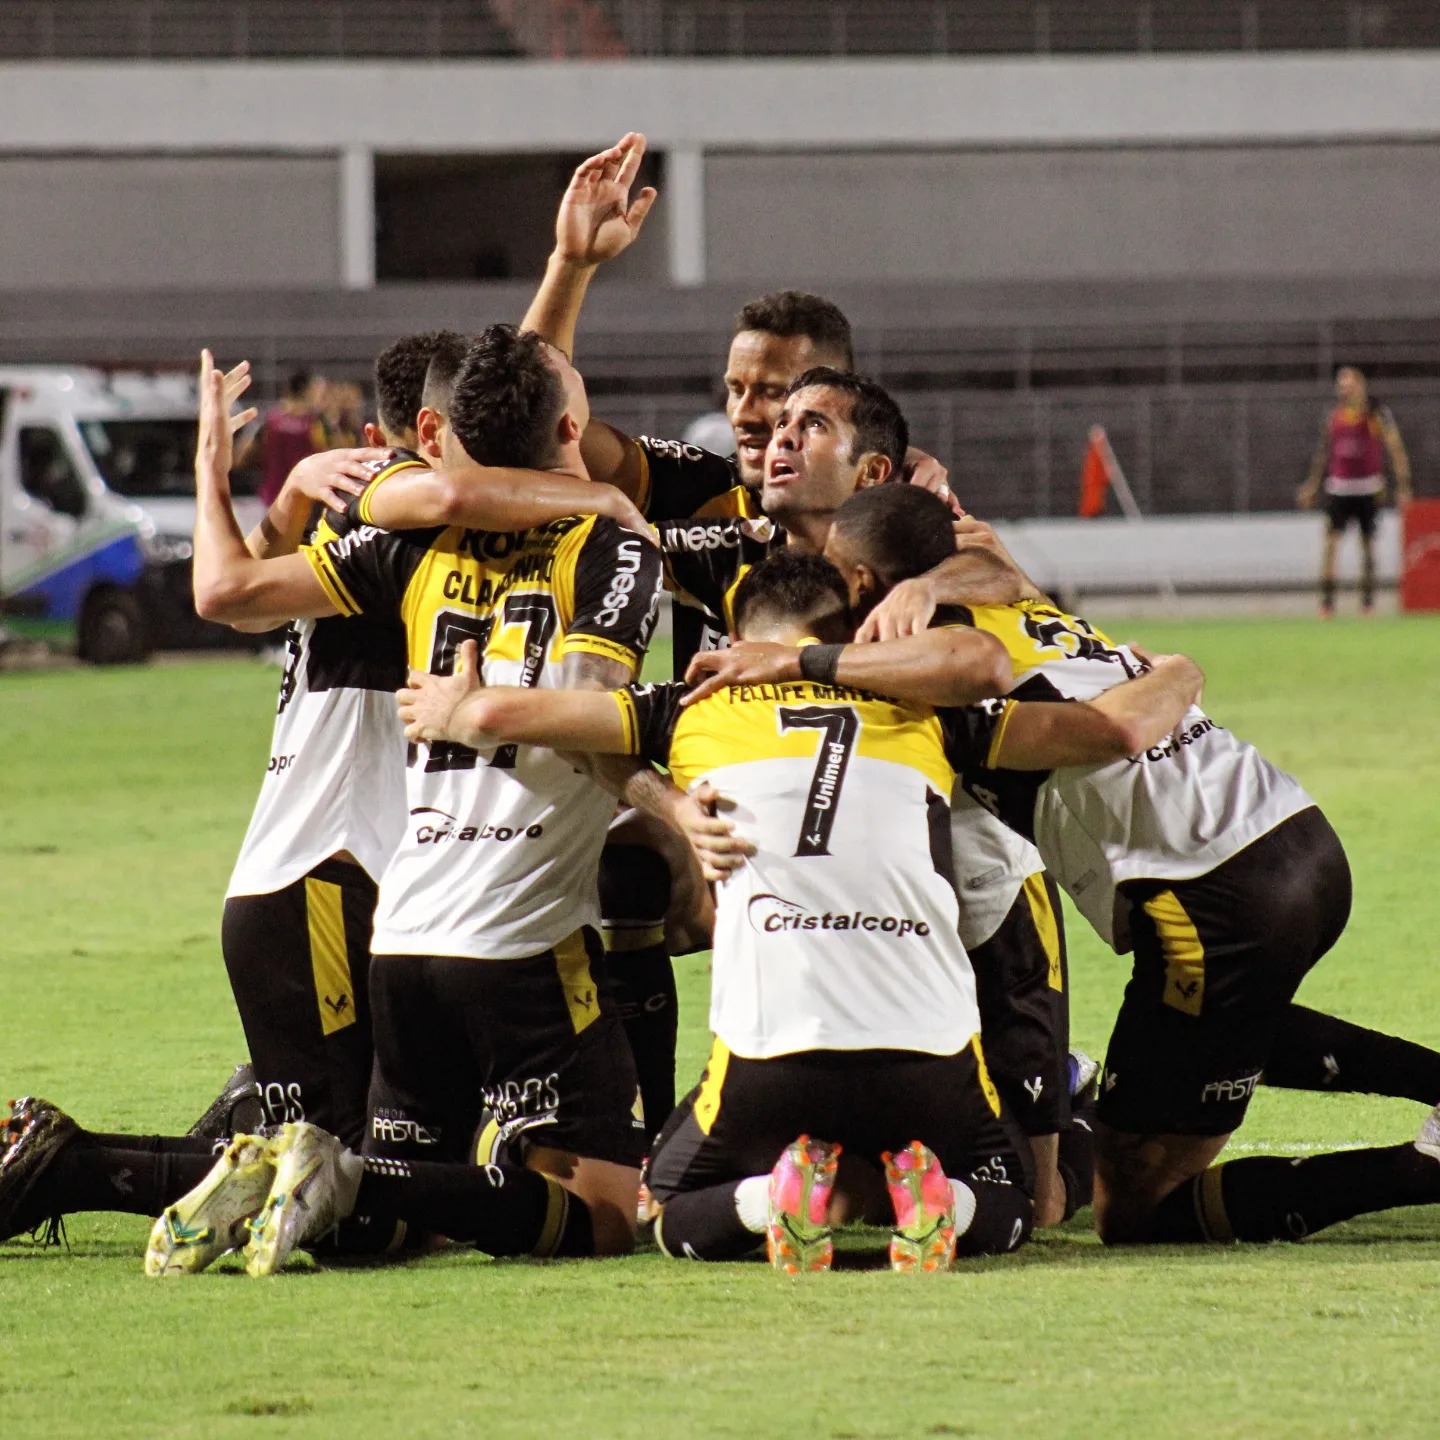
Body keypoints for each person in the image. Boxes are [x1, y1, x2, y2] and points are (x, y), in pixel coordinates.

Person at [395, 551, 1207, 1270]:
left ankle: (772, 1202)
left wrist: (460, 708)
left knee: (671, 1209)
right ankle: (944, 1207)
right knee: (1016, 1207)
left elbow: (500, 715)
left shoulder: (688, 708)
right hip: (928, 1055)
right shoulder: (931, 716)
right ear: (853, 629)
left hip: (769, 1062)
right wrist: (1180, 671)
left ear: (740, 636)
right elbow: (1104, 726)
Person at [731, 483, 1440, 1247]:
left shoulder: (936, 676)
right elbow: (993, 569)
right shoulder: (1014, 601)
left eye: (835, 568)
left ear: (866, 582)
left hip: (1215, 896)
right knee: (1211, 1032)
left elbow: (1097, 722)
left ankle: (1421, 1172)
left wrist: (805, 658)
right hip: (1294, 831)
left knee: (1135, 1205)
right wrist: (1177, 671)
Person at [143, 326, 664, 1275]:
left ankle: (322, 1175)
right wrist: (673, 798)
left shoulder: (405, 543)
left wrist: (221, 471)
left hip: (404, 931)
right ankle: (328, 1171)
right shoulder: (608, 545)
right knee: (606, 1209)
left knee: (405, 1219)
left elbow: (225, 590)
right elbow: (590, 719)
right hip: (509, 930)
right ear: (575, 427)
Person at [1297, 365, 1412, 617]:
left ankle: (1368, 603)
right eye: (1340, 385)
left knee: (1368, 547)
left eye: (1348, 384)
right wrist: (1312, 485)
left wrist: (1403, 485)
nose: (1343, 389)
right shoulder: (1334, 416)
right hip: (1339, 487)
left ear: (1359, 385)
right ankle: (1327, 603)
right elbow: (1323, 453)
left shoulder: (1377, 414)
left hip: (1368, 488)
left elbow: (1395, 448)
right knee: (1330, 545)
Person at [237, 369, 328, 506]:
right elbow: (327, 454)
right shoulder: (315, 423)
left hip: (271, 499)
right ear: (306, 390)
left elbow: (242, 456)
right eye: (318, 391)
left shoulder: (269, 418)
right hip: (304, 501)